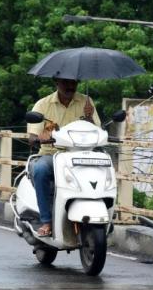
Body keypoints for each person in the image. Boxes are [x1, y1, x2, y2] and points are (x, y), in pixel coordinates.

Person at [27, 78, 101, 236]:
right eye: (65, 83)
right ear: (56, 83)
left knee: (103, 170)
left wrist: (89, 117)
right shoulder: (43, 104)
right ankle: (46, 221)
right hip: (52, 155)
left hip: (80, 155)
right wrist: (41, 138)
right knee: (40, 169)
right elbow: (32, 137)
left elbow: (97, 131)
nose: (70, 86)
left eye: (73, 83)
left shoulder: (86, 102)